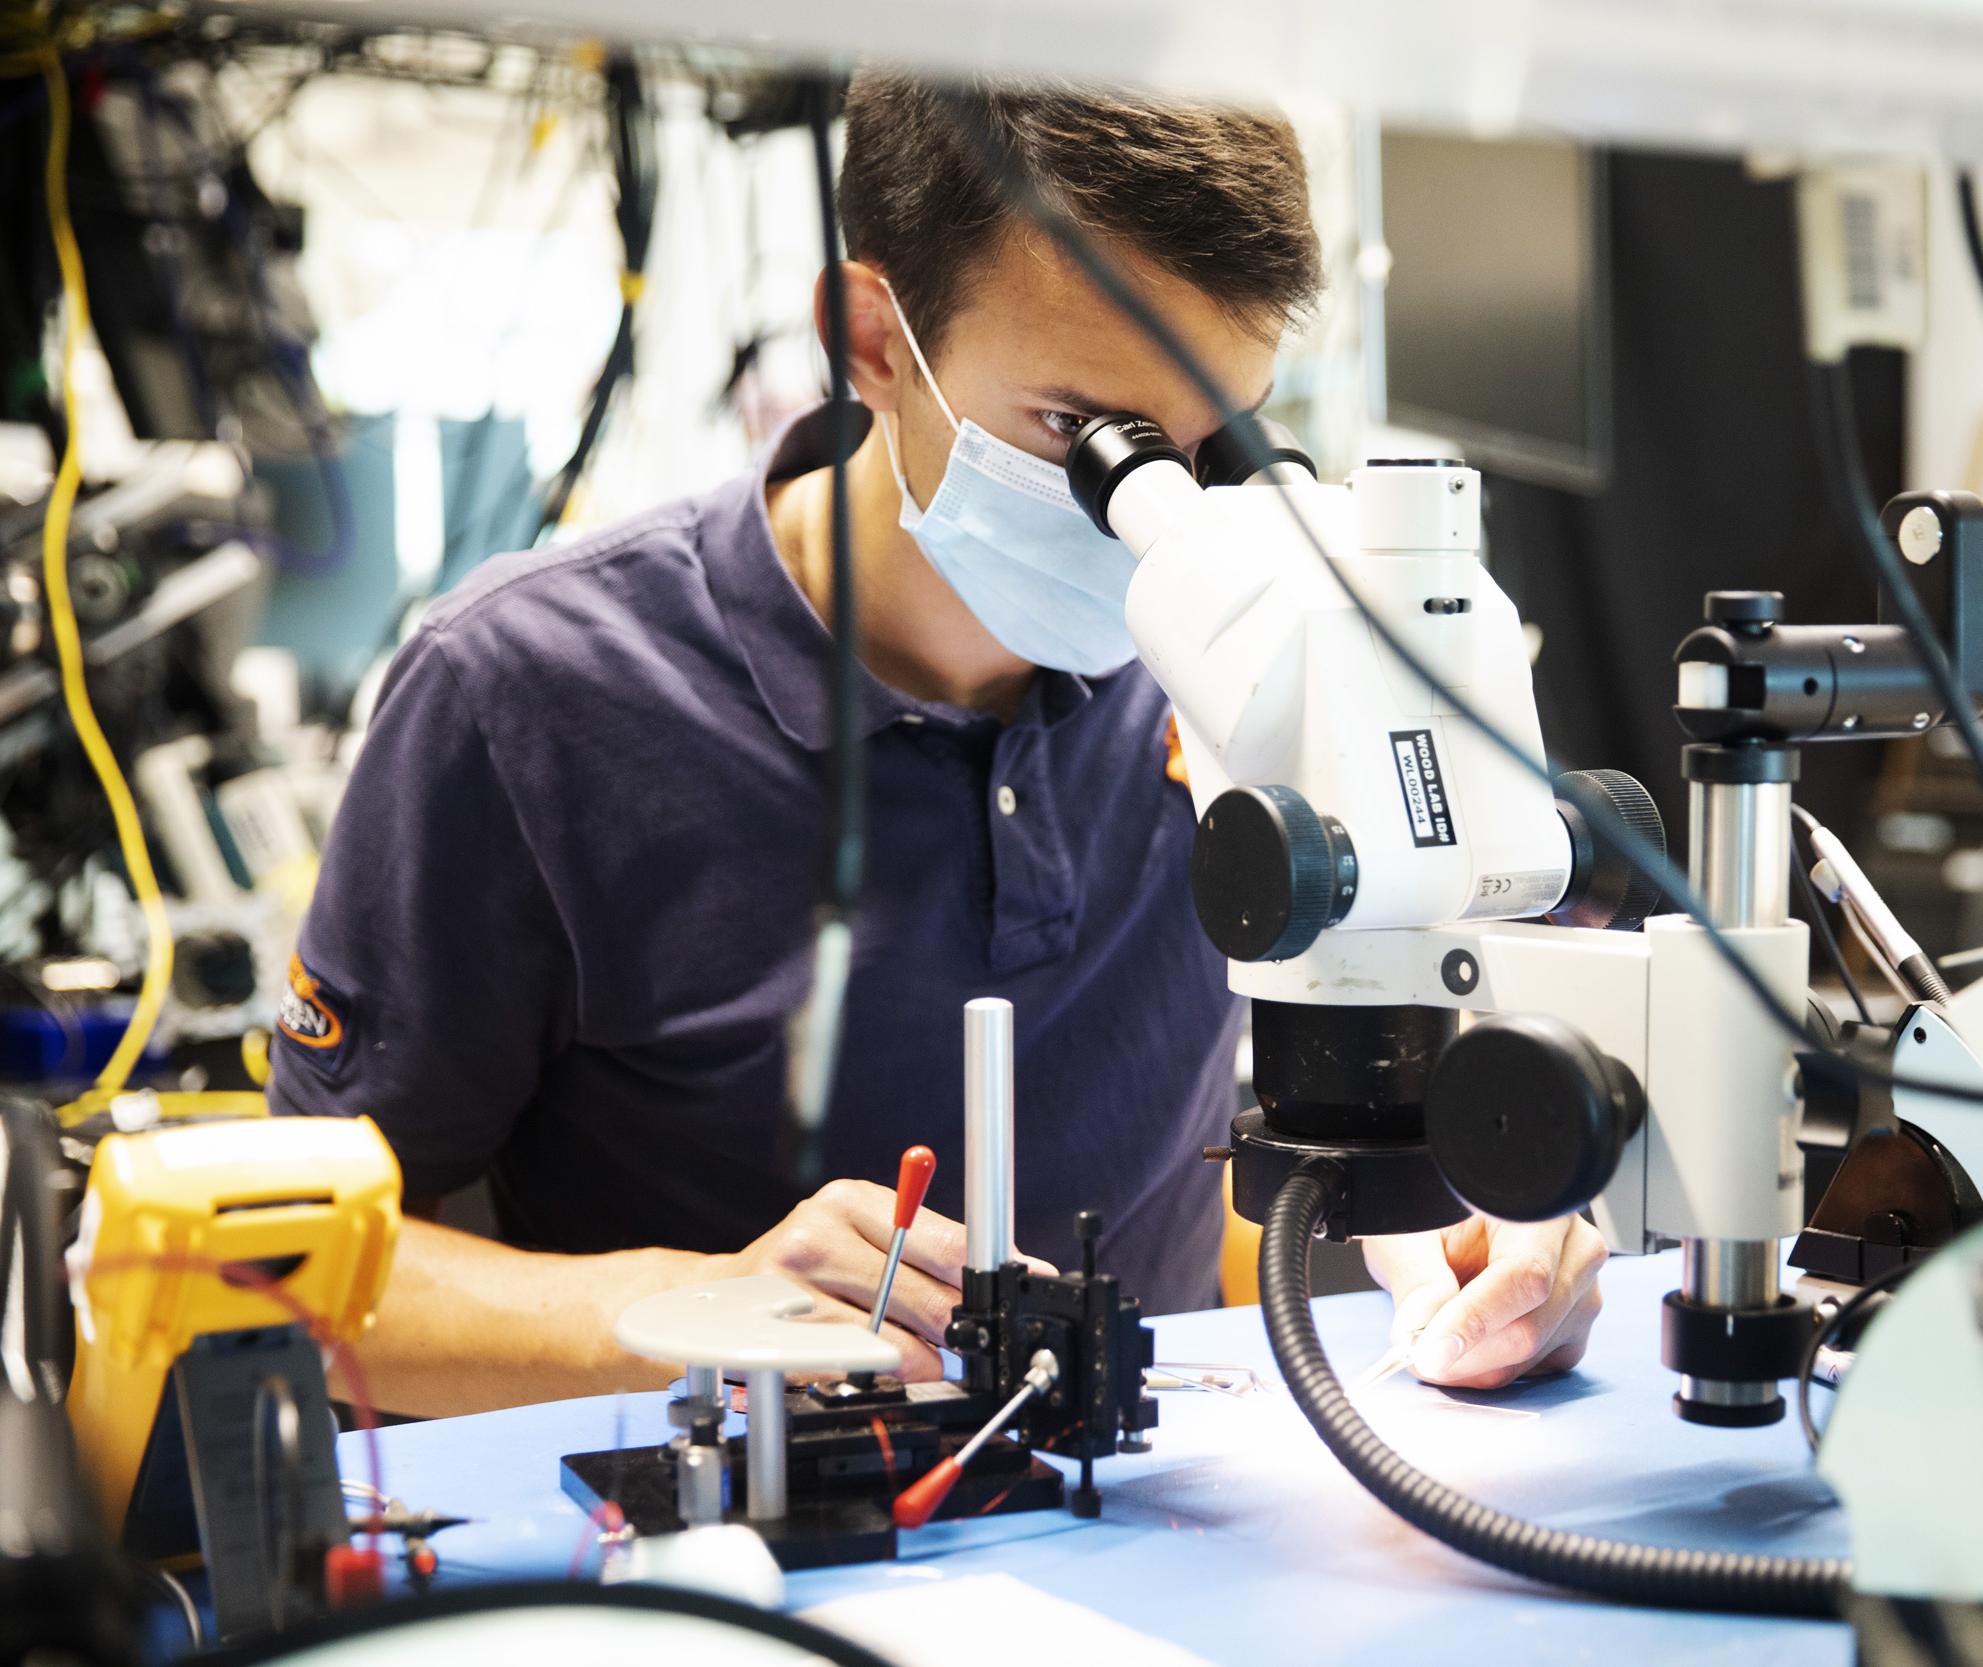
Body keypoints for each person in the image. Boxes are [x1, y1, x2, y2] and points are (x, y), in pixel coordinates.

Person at [269, 72, 1607, 1418]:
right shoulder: (527, 699)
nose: (1164, 522)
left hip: (1164, 1539)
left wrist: (1465, 1223)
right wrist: (707, 1310)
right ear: (872, 339)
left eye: (1218, 450)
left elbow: (1208, 1195)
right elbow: (292, 1276)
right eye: (1093, 440)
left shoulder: (1253, 656)